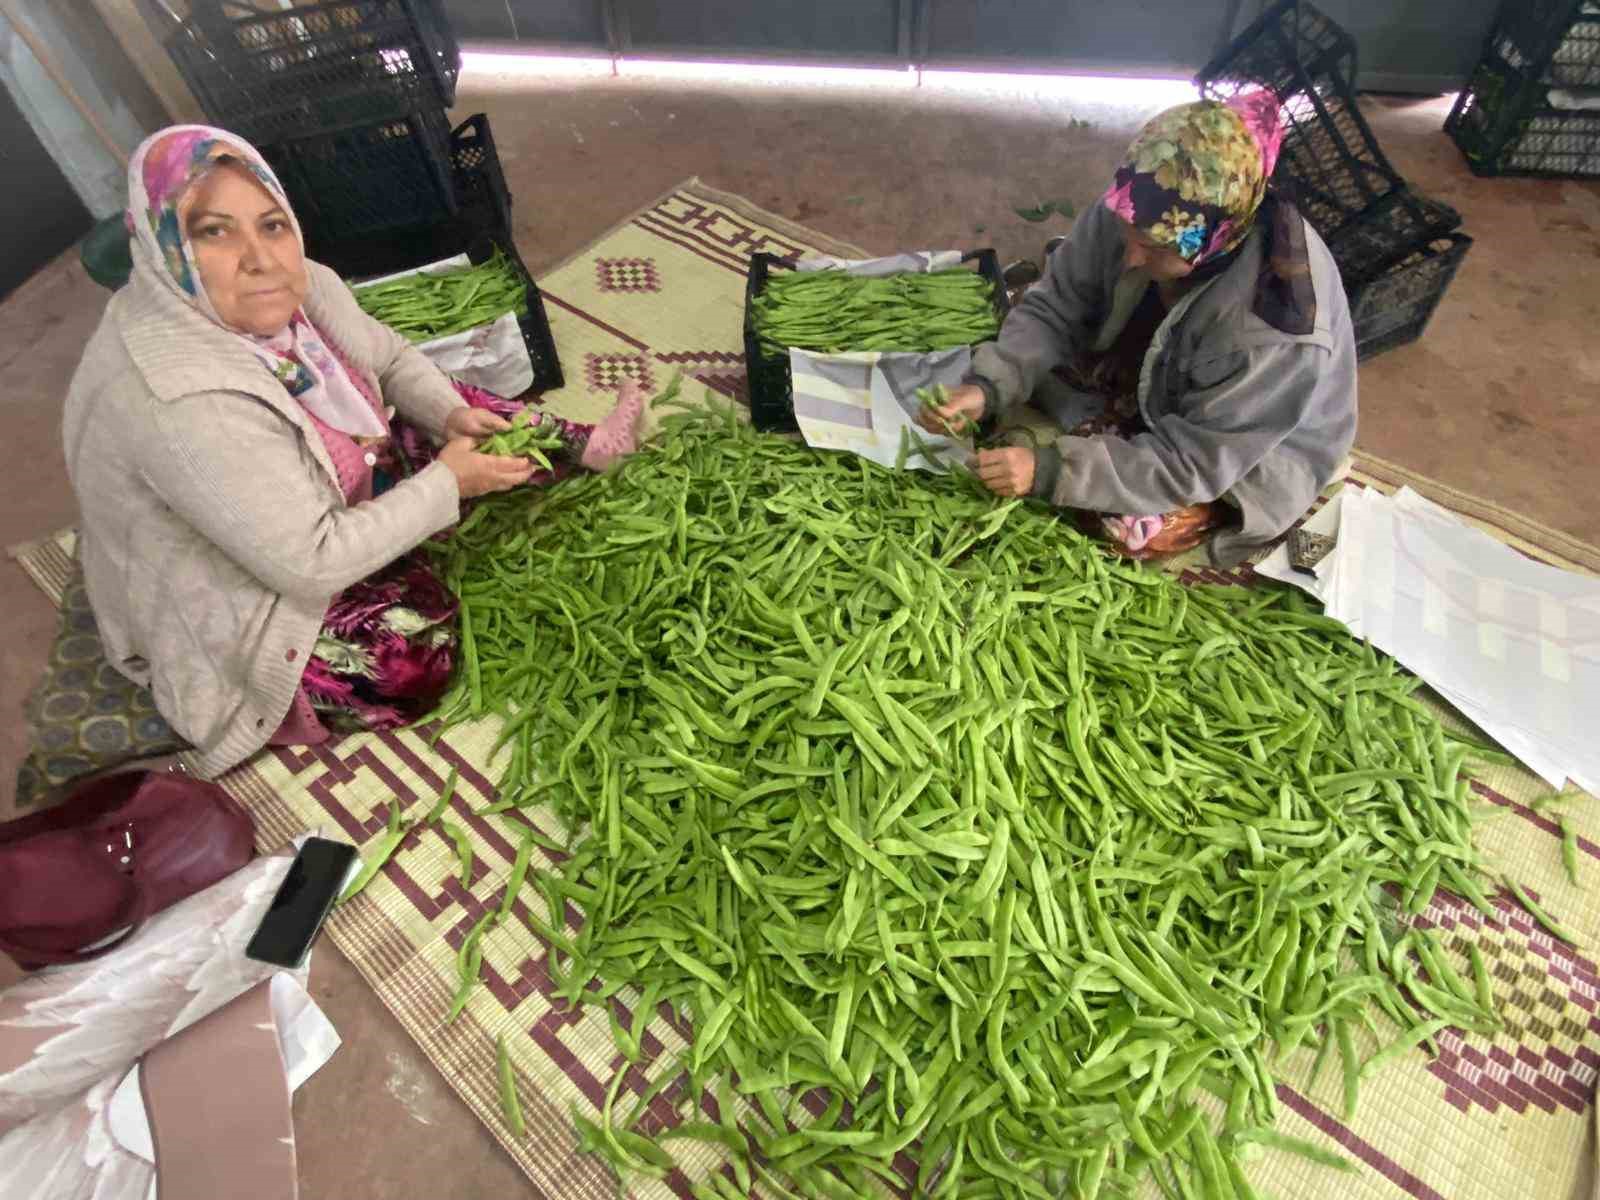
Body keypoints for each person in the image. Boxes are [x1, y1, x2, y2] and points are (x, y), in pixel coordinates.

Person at [63, 125, 642, 778]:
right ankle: (390, 556)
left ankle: (587, 447)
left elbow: (389, 355)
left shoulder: (300, 286)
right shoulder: (178, 399)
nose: (260, 259)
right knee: (408, 659)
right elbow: (308, 563)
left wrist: (450, 415)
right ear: (165, 245)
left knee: (467, 414)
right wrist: (446, 487)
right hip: (238, 591)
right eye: (214, 233)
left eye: (271, 224)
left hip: (318, 480)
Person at [920, 91, 1357, 564]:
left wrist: (1051, 471)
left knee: (1124, 531)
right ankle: (1106, 418)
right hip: (1154, 365)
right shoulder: (1139, 206)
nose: (1132, 256)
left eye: (1154, 249)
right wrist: (988, 386)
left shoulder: (1272, 329)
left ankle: (1140, 460)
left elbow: (1194, 460)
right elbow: (1056, 304)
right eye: (1130, 233)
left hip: (1244, 446)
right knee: (1010, 354)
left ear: (1210, 244)